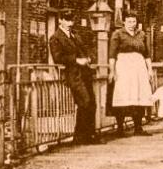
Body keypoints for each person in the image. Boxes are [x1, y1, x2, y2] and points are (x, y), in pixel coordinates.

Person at [48, 9, 101, 145]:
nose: (70, 22)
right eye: (66, 19)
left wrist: (88, 57)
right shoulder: (56, 38)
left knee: (91, 103)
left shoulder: (75, 35)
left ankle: (85, 135)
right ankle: (82, 137)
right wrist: (76, 60)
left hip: (84, 74)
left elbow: (85, 49)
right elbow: (57, 57)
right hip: (72, 75)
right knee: (85, 101)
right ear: (60, 20)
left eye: (71, 19)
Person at [108, 11, 154, 136]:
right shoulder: (117, 34)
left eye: (134, 21)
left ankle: (138, 127)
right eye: (129, 21)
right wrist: (112, 71)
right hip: (124, 67)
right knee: (123, 95)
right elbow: (112, 54)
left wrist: (149, 70)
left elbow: (147, 54)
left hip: (139, 68)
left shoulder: (142, 34)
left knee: (139, 95)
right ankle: (120, 129)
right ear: (124, 22)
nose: (131, 24)